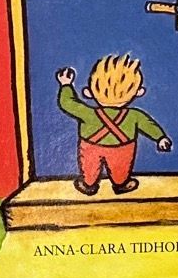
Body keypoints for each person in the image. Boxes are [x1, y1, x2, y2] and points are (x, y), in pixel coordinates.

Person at [56, 53, 171, 196]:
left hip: (91, 146)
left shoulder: (88, 113)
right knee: (121, 169)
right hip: (123, 148)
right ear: (138, 92)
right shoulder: (134, 115)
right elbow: (148, 124)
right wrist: (160, 138)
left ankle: (88, 185)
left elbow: (68, 104)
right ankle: (121, 184)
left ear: (89, 92)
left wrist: (66, 85)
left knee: (89, 167)